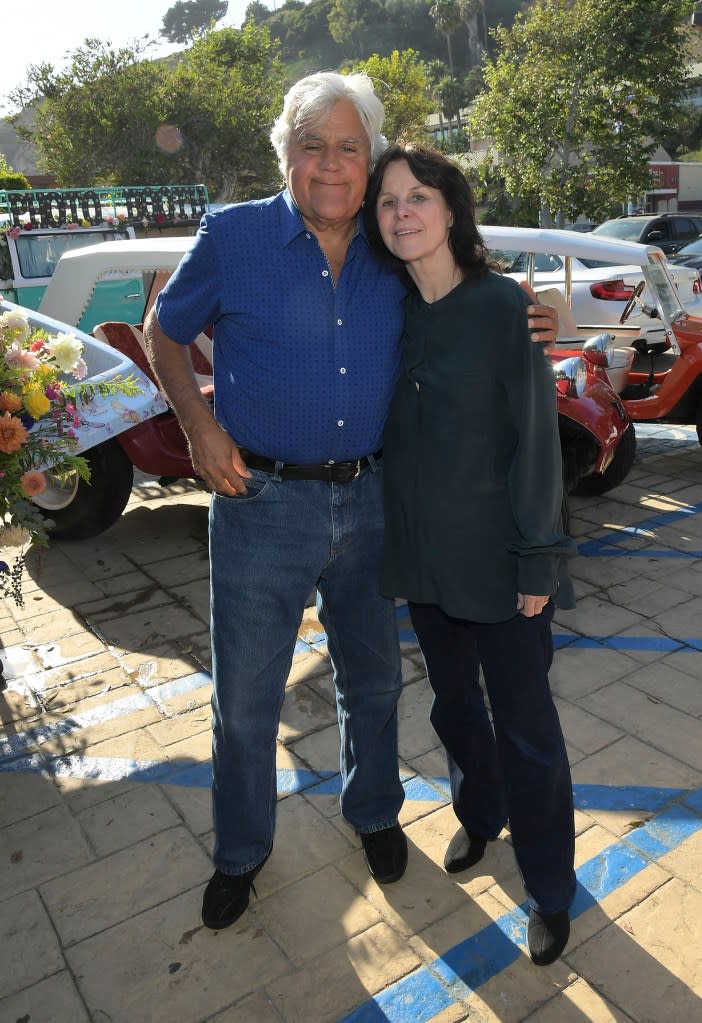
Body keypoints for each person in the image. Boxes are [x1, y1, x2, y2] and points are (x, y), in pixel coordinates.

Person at [143, 72, 561, 932]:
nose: (330, 164)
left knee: (372, 683)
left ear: (367, 158)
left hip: (374, 501)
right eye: (311, 145)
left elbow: (468, 286)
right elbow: (164, 330)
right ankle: (242, 849)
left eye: (347, 146)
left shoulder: (388, 241)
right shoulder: (233, 235)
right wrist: (198, 426)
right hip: (259, 500)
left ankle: (372, 811)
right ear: (285, 154)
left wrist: (537, 307)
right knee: (247, 697)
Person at [364, 144, 577, 966]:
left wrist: (537, 561)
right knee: (452, 707)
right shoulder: (389, 308)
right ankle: (479, 815)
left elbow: (535, 442)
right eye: (387, 203)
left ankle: (550, 887)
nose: (402, 213)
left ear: (452, 209)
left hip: (499, 560)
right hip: (420, 559)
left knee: (527, 726)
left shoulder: (503, 308)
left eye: (418, 196)